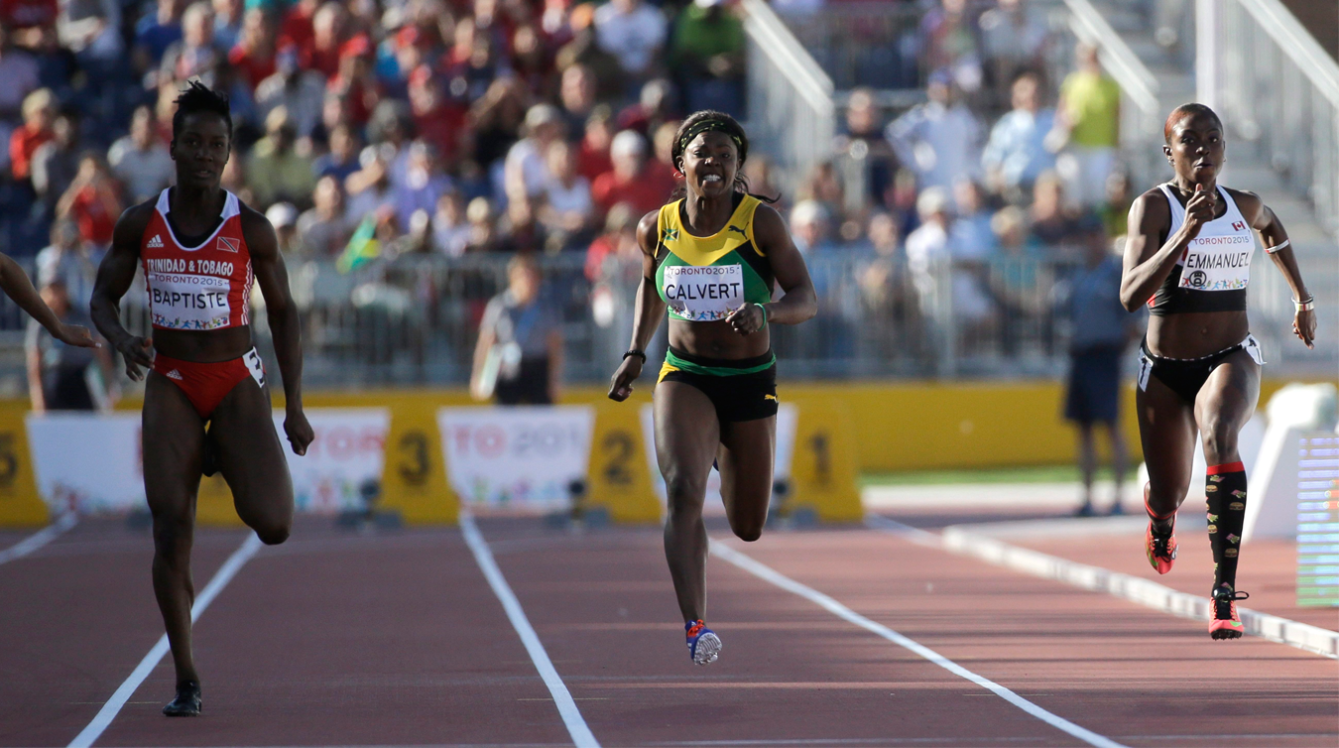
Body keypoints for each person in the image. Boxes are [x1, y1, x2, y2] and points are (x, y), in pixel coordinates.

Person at [90, 81, 313, 715]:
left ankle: (216, 449)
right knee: (171, 528)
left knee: (274, 524)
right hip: (173, 383)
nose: (205, 155)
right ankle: (186, 675)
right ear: (173, 147)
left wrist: (294, 404)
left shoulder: (252, 228)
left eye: (217, 145)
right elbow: (101, 298)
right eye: (193, 143)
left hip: (236, 381)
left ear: (229, 152)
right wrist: (121, 338)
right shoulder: (143, 221)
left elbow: (286, 313)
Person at [607, 111, 817, 665]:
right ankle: (696, 625)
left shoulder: (760, 224)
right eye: (704, 154)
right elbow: (651, 287)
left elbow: (806, 298)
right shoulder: (657, 226)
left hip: (749, 381)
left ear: (737, 166)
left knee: (747, 526)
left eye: (726, 155)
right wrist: (635, 352)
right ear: (682, 165)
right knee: (681, 490)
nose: (715, 163)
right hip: (685, 374)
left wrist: (765, 311)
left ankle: (726, 452)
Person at [1120, 103, 1316, 639]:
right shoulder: (1152, 209)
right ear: (1170, 152)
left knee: (1220, 432)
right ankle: (1160, 525)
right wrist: (1184, 236)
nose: (1204, 149)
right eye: (1190, 140)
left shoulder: (1242, 204)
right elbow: (1130, 296)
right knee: (1169, 492)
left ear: (1225, 148)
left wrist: (1302, 296)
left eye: (1214, 139)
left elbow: (1272, 225)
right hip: (1164, 370)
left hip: (1230, 355)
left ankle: (1223, 593)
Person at [1065, 218, 1140, 516]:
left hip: (1106, 354)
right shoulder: (1077, 275)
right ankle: (1086, 496)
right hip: (1081, 354)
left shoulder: (1114, 273)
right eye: (1086, 236)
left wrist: (1120, 345)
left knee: (1111, 425)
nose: (1090, 242)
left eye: (1095, 235)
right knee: (1083, 428)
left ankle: (1119, 495)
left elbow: (1133, 317)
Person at [470, 254, 563, 405]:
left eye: (531, 275)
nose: (527, 280)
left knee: (542, 414)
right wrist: (478, 374)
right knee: (506, 414)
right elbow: (486, 341)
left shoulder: (546, 307)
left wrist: (555, 378)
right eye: (522, 275)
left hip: (538, 366)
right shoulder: (499, 305)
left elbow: (555, 344)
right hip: (508, 367)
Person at [26, 279, 114, 411]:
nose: (54, 296)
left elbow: (100, 350)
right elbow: (35, 361)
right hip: (55, 375)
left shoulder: (81, 317)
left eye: (58, 290)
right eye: (50, 291)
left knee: (86, 421)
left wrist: (109, 385)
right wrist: (37, 398)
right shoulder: (39, 322)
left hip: (82, 376)